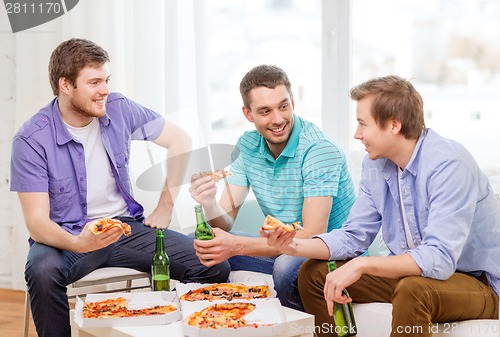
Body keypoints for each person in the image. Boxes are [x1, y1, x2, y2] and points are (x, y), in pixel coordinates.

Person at [10, 38, 230, 337]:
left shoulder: (119, 108)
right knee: (42, 271)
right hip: (68, 236)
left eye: (106, 80)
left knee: (210, 264)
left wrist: (165, 206)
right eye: (94, 82)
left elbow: (180, 140)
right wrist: (78, 243)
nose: (104, 90)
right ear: (66, 85)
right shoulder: (32, 139)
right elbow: (37, 223)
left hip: (124, 228)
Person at [264, 75, 500, 337]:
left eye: (362, 124)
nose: (357, 134)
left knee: (413, 289)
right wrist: (293, 245)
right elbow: (354, 235)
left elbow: (439, 258)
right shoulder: (375, 165)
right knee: (314, 273)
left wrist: (362, 266)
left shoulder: (449, 165)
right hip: (413, 275)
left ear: (394, 125)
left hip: (478, 283)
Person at [189, 64, 356, 311]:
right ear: (248, 114)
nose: (278, 120)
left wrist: (236, 247)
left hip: (330, 253)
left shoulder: (319, 150)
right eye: (265, 111)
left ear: (293, 103)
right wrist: (209, 204)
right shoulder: (248, 145)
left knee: (285, 267)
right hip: (285, 246)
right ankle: (223, 322)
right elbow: (223, 224)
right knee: (197, 246)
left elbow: (312, 234)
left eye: (283, 106)